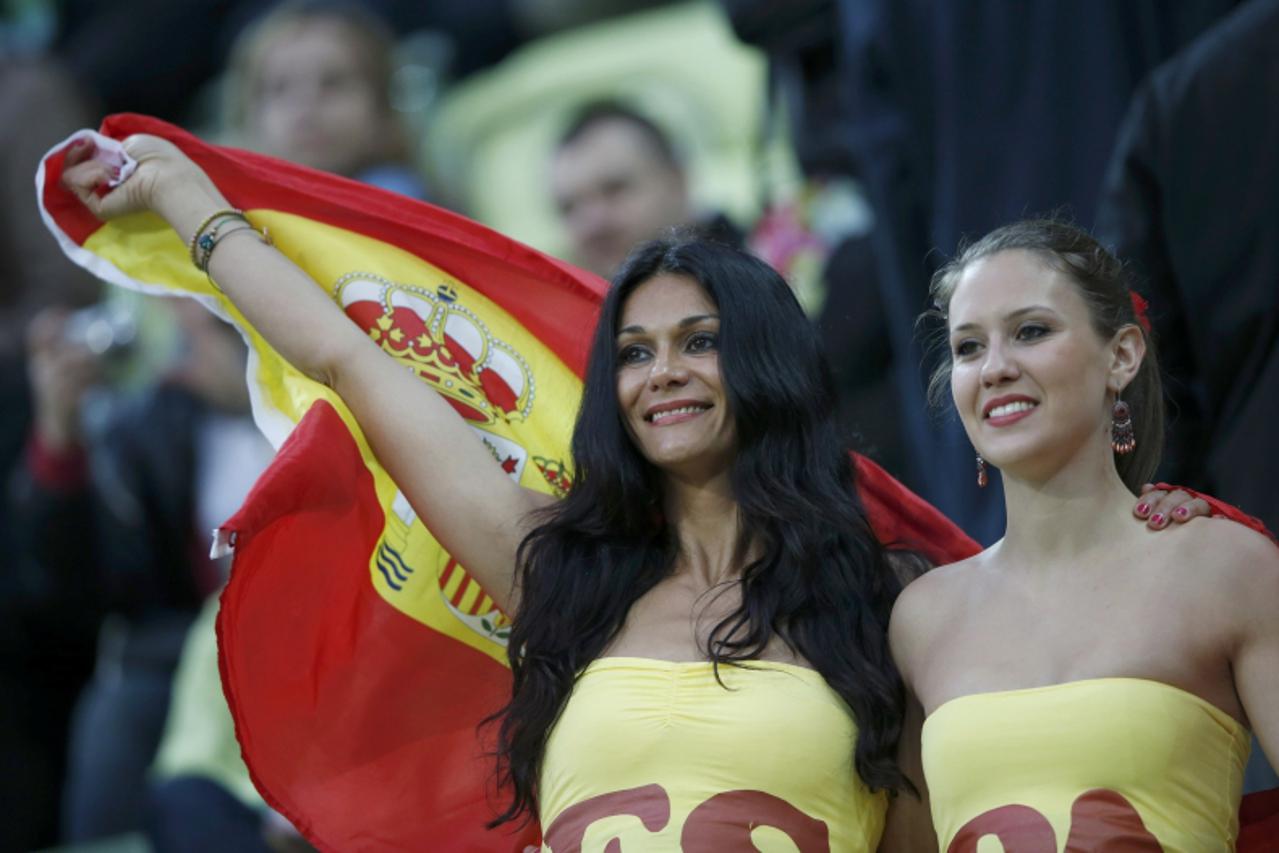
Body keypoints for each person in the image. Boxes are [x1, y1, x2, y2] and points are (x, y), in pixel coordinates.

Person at [57, 136, 1213, 850]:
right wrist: (198, 212)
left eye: (698, 342)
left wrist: (1151, 538)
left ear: (761, 363)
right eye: (634, 350)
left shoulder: (888, 608)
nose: (661, 374)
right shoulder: (558, 576)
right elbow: (358, 361)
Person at [889, 219, 1279, 849]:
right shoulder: (921, 616)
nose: (994, 368)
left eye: (1031, 331)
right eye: (967, 347)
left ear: (1121, 355)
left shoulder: (1227, 568)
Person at [223, 0, 430, 200]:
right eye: (280, 87)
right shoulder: (226, 205)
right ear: (247, 114)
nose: (305, 106)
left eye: (332, 82)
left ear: (381, 104)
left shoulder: (401, 198)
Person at [550, 100, 741, 278]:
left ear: (677, 182)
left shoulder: (763, 281)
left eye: (614, 189)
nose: (592, 224)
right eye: (569, 207)